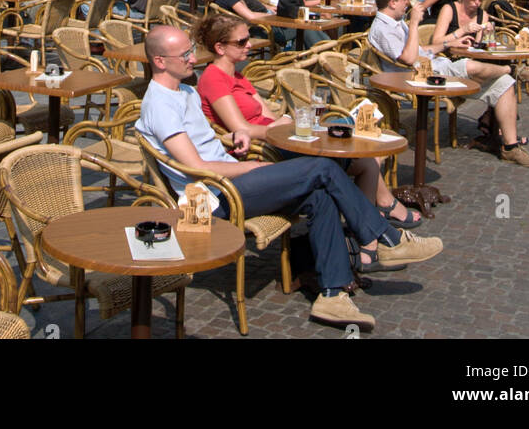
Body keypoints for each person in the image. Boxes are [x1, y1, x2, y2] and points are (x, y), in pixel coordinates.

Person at [136, 24, 444, 329]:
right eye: (184, 54)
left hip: (229, 178)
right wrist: (253, 168)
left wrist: (236, 139)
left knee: (320, 194)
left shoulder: (186, 90)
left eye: (190, 50)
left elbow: (206, 144)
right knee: (321, 167)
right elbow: (198, 167)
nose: (192, 58)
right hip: (211, 199)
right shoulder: (160, 105)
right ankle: (385, 237)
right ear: (160, 61)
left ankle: (333, 295)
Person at [193, 13, 425, 232]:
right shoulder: (214, 78)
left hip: (280, 138)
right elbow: (241, 128)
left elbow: (268, 115)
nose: (249, 45)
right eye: (242, 42)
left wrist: (283, 123)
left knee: (362, 150)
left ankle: (365, 228)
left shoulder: (238, 76)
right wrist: (277, 129)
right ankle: (381, 211)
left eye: (248, 38)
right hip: (263, 150)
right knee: (360, 150)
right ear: (220, 48)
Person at [370, 0, 529, 168]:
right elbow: (409, 59)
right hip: (418, 78)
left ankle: (510, 147)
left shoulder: (396, 22)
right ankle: (515, 69)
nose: (409, 1)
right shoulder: (383, 28)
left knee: (504, 84)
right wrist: (415, 24)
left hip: (433, 66)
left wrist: (448, 44)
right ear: (392, 3)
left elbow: (421, 50)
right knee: (470, 66)